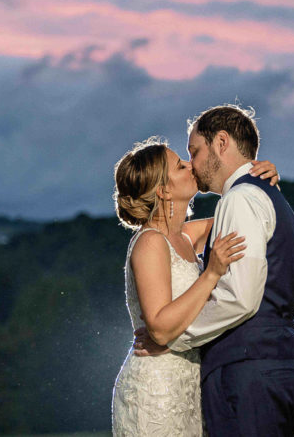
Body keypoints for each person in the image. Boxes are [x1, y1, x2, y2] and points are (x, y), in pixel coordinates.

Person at [134, 104, 294, 437]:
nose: (192, 164)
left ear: (221, 143)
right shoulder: (261, 197)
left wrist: (174, 340)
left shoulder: (241, 200)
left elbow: (240, 299)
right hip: (274, 366)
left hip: (246, 370)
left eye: (194, 151)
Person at [110, 136, 281, 436]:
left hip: (188, 387)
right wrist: (211, 273)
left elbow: (243, 215)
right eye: (180, 165)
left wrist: (262, 182)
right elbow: (161, 329)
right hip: (156, 392)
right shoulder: (150, 242)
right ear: (163, 190)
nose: (191, 166)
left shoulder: (184, 236)